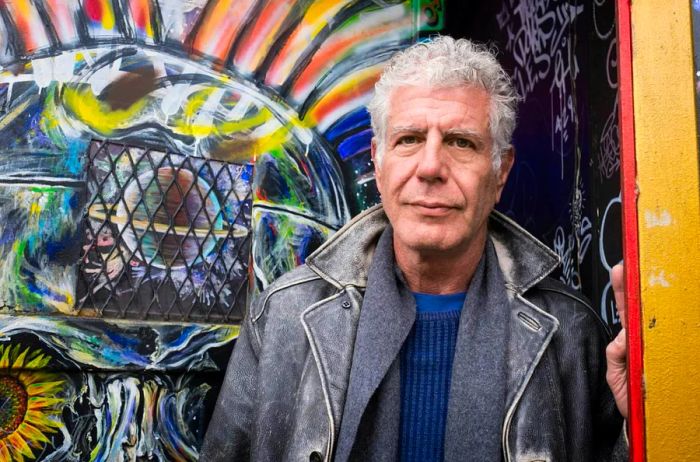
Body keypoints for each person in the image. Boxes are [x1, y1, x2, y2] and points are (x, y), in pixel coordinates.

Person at [200, 36, 629, 461]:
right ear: (379, 164)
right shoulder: (285, 315)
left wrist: (639, 429)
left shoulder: (570, 332)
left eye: (461, 142)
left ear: (500, 173)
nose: (429, 167)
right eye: (408, 139)